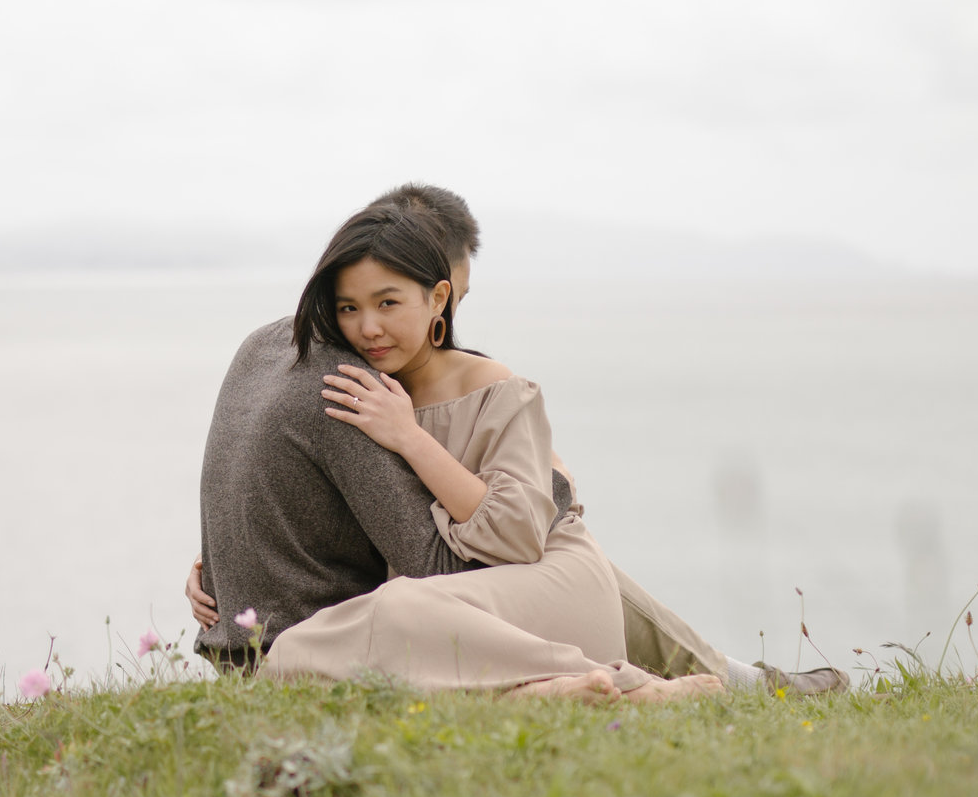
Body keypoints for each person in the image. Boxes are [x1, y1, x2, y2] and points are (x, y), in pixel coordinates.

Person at [189, 184, 845, 697]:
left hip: (501, 572)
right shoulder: (356, 387)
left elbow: (512, 525)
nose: (379, 326)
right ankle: (713, 679)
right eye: (361, 303)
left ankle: (732, 681)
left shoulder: (306, 356)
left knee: (566, 562)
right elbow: (421, 553)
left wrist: (530, 482)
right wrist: (225, 562)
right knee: (539, 567)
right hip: (434, 595)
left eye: (403, 304)